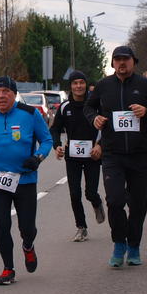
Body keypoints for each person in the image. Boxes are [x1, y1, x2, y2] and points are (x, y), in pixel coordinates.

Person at [84, 46, 147, 267]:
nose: (122, 63)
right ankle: (119, 243)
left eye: (126, 59)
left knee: (138, 206)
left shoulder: (146, 86)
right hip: (113, 154)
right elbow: (88, 108)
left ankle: (134, 246)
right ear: (112, 63)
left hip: (140, 155)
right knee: (114, 201)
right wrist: (94, 118)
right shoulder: (103, 86)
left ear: (133, 62)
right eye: (117, 59)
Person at [0, 76, 52, 285]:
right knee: (2, 225)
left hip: (25, 180)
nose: (1, 96)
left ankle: (28, 246)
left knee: (27, 228)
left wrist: (37, 158)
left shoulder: (30, 114)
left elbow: (47, 140)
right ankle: (8, 269)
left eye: (5, 92)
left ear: (14, 94)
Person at [50, 70, 105, 242]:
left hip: (92, 155)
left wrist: (100, 145)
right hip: (72, 156)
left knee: (90, 192)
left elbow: (107, 127)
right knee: (74, 193)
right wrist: (57, 146)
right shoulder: (65, 107)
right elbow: (55, 129)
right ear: (71, 86)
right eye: (75, 83)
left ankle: (97, 203)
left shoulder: (96, 105)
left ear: (86, 85)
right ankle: (81, 227)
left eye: (81, 82)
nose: (78, 86)